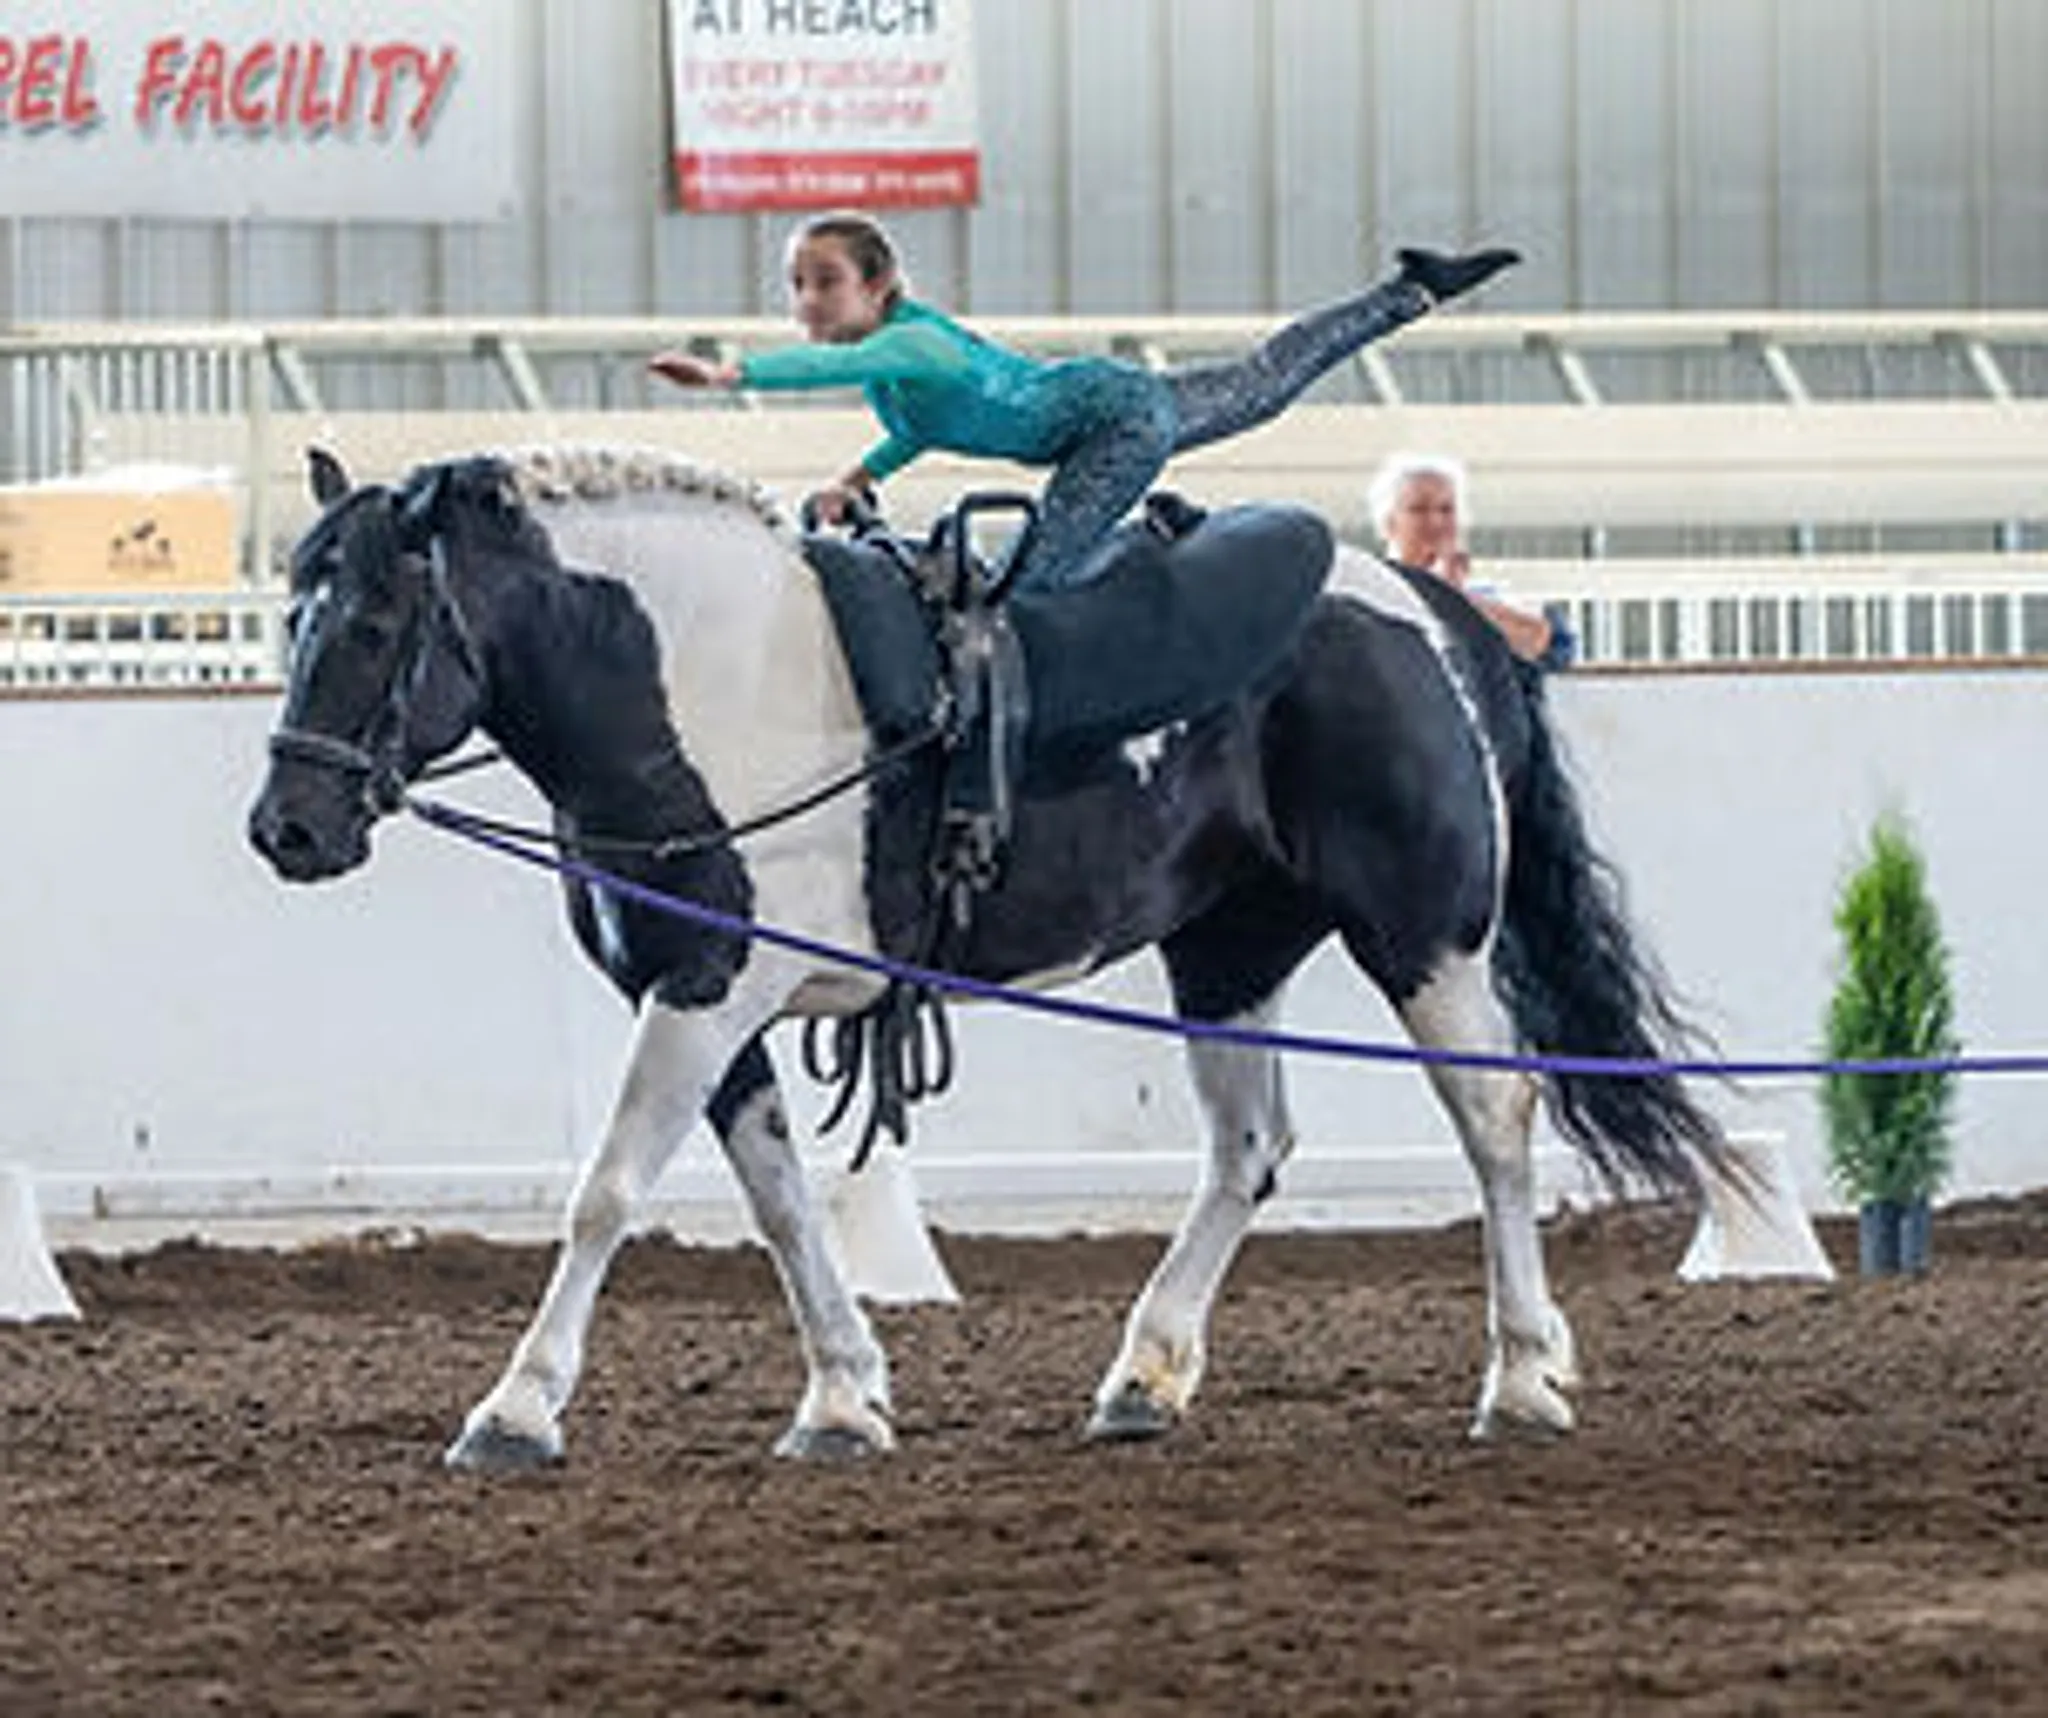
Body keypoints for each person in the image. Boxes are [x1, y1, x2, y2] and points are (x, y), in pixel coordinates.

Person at [650, 210, 1519, 595]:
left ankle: (1160, 542)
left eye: (825, 283)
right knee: (1269, 381)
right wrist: (853, 477)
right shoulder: (896, 372)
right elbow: (919, 431)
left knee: (1029, 587)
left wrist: (729, 378)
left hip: (1109, 420)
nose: (806, 301)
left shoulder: (910, 339)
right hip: (1106, 402)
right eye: (796, 283)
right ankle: (1411, 294)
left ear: (877, 287)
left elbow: (807, 374)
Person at [1367, 450, 1576, 671]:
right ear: (1389, 523)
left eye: (1446, 510)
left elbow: (1547, 646)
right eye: (1418, 509)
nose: (1435, 521)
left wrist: (1455, 597)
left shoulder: (1488, 597)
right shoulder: (1368, 592)